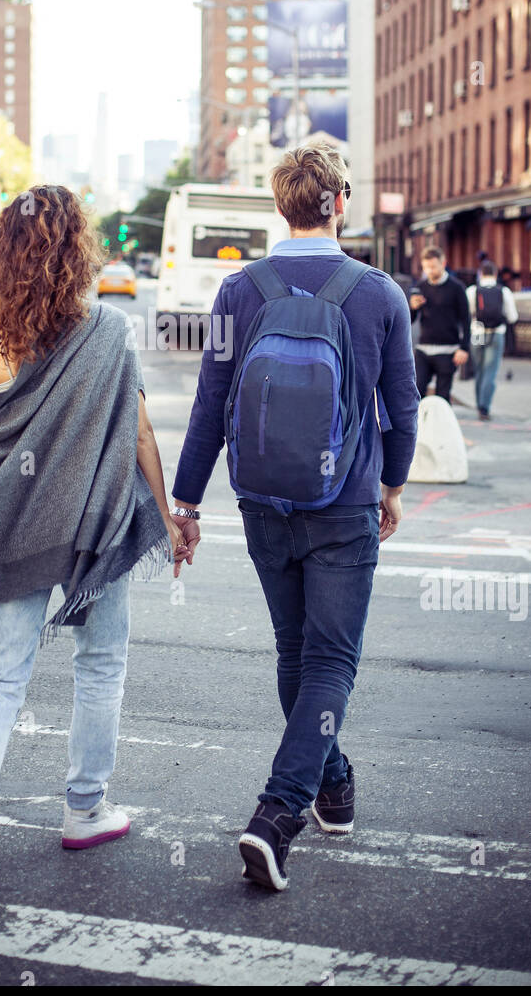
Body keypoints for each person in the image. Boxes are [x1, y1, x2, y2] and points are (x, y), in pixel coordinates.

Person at [0, 185, 192, 901]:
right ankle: (85, 808)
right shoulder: (110, 330)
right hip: (92, 525)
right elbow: (139, 432)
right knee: (100, 664)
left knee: (1, 676)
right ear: (76, 251)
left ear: (6, 252)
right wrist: (173, 517)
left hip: (15, 530)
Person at [170, 138, 419, 890]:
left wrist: (186, 502)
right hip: (343, 500)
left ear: (280, 206)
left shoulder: (236, 291)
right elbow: (401, 408)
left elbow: (210, 405)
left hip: (261, 501)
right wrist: (392, 485)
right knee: (330, 661)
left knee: (295, 654)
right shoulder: (378, 293)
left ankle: (332, 783)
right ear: (339, 203)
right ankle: (279, 813)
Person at [409, 246, 471, 404]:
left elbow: (466, 319)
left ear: (443, 263)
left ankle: (441, 427)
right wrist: (412, 308)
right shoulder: (420, 287)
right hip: (424, 349)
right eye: (426, 267)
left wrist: (464, 348)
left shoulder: (457, 288)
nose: (430, 271)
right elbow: (410, 319)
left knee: (442, 397)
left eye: (433, 267)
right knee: (417, 390)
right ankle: (420, 427)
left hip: (448, 350)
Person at [465, 260, 519, 419]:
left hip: (477, 333)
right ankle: (484, 407)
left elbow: (467, 313)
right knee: (490, 371)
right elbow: (512, 317)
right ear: (495, 274)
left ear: (480, 273)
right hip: (496, 333)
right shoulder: (504, 291)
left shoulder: (472, 291)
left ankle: (478, 402)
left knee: (479, 370)